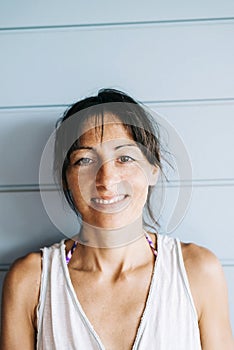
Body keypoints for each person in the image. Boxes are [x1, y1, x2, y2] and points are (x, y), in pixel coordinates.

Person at [1, 89, 233, 350]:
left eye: (124, 158)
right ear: (67, 179)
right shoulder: (31, 281)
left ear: (153, 170)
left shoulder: (198, 272)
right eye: (85, 160)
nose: (106, 180)